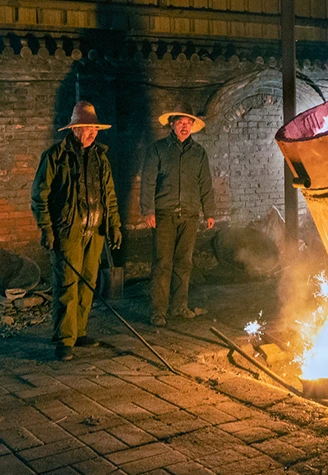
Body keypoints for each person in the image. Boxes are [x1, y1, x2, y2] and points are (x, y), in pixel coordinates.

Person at [32, 101, 123, 361]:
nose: (92, 132)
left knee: (87, 283)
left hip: (94, 231)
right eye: (87, 127)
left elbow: (110, 195)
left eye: (95, 127)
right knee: (66, 285)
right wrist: (47, 229)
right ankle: (64, 339)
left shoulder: (99, 157)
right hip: (67, 231)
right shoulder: (55, 156)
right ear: (74, 129)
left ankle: (79, 331)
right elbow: (39, 195)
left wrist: (114, 225)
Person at [140, 103, 216, 327]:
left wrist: (209, 211)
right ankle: (158, 312)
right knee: (163, 263)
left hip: (190, 216)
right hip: (164, 215)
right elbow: (148, 182)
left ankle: (179, 307)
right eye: (181, 123)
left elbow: (206, 184)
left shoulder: (199, 153)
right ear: (172, 125)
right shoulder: (158, 150)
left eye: (188, 123)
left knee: (184, 263)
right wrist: (148, 210)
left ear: (193, 126)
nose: (185, 127)